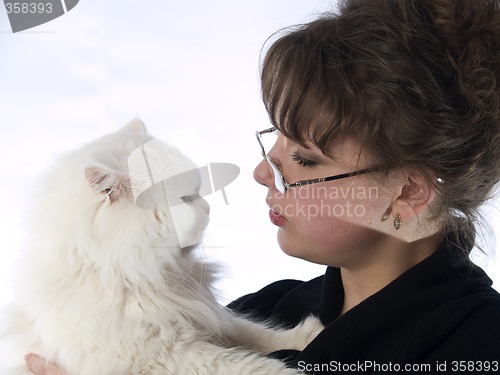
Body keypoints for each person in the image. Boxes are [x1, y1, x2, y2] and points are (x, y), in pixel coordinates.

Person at [25, 0, 500, 373]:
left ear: (407, 193)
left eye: (305, 159)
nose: (259, 173)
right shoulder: (267, 309)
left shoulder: (478, 343)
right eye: (274, 140)